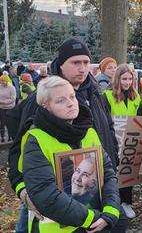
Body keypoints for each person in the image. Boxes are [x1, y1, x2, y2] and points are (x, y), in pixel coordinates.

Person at [7, 38, 121, 233]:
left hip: (93, 192)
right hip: (47, 198)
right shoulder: (42, 98)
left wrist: (113, 160)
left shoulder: (95, 92)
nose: (82, 68)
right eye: (75, 62)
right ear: (60, 65)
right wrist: (23, 190)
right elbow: (20, 146)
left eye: (86, 62)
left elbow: (107, 129)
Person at [20, 76, 125, 232]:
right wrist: (94, 218)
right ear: (45, 106)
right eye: (61, 100)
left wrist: (111, 210)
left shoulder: (89, 131)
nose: (71, 103)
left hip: (96, 221)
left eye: (72, 96)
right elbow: (46, 195)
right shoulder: (36, 139)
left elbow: (107, 173)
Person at [103, 64, 142, 219]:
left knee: (127, 171)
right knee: (113, 172)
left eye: (130, 79)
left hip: (130, 140)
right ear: (117, 79)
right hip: (114, 140)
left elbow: (140, 119)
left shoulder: (136, 96)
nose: (127, 82)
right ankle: (114, 202)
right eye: (124, 79)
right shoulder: (106, 96)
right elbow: (105, 120)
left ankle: (126, 202)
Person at [0, 72, 16, 142]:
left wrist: (2, 101)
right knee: (2, 123)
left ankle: (10, 136)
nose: (1, 82)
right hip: (1, 108)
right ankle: (2, 137)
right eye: (0, 81)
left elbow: (13, 99)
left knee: (9, 123)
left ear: (6, 81)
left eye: (3, 81)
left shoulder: (11, 88)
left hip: (10, 108)